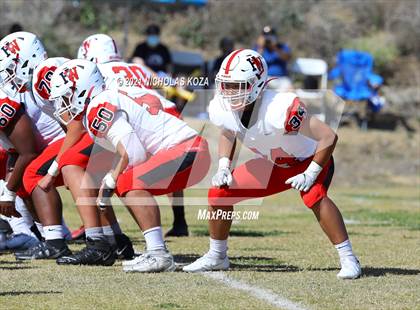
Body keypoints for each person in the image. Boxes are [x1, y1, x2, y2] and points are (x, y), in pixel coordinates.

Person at [183, 49, 362, 280]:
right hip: (274, 165)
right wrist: (224, 166)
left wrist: (311, 173)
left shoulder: (280, 108)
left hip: (309, 160)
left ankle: (349, 259)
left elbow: (328, 137)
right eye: (226, 85)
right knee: (219, 193)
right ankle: (218, 256)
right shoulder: (222, 107)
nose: (230, 93)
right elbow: (228, 133)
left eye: (238, 86)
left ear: (257, 85)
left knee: (314, 195)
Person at [49, 59, 211, 272]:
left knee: (127, 181)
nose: (63, 103)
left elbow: (133, 153)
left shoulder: (98, 106)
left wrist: (111, 179)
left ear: (82, 90)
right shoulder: (105, 99)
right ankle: (152, 250)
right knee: (123, 180)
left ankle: (158, 253)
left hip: (187, 150)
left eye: (67, 96)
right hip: (189, 149)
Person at [0, 32, 133, 264]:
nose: (8, 75)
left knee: (37, 173)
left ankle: (56, 243)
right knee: (81, 179)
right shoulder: (34, 81)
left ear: (27, 60)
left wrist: (55, 166)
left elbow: (74, 123)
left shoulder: (46, 76)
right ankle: (114, 240)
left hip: (91, 130)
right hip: (91, 130)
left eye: (12, 67)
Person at [255, 26, 292, 91]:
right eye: (265, 36)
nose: (268, 38)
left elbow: (287, 58)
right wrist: (261, 47)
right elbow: (255, 63)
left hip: (282, 79)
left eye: (270, 35)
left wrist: (274, 47)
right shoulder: (258, 48)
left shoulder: (282, 47)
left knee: (290, 90)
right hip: (265, 78)